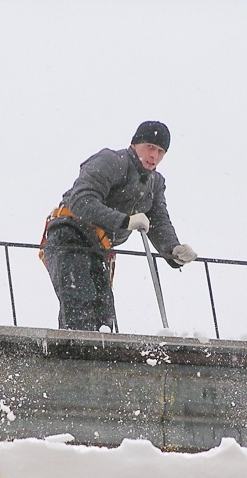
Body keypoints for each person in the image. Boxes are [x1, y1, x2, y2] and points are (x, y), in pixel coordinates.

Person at [40, 121, 197, 331]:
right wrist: (124, 221)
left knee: (104, 315)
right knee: (79, 302)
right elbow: (81, 201)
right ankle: (73, 356)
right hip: (69, 234)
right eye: (150, 147)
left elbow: (159, 221)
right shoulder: (111, 161)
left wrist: (172, 250)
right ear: (134, 144)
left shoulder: (155, 184)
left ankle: (97, 358)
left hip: (100, 248)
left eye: (161, 152)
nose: (154, 156)